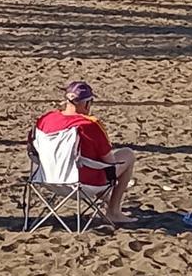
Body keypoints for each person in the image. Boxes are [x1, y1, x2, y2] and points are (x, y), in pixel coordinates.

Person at [35, 80, 136, 225]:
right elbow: (109, 163)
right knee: (127, 154)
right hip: (80, 184)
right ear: (87, 104)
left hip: (47, 179)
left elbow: (33, 151)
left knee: (91, 162)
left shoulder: (45, 119)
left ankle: (106, 199)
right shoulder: (89, 125)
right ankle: (113, 211)